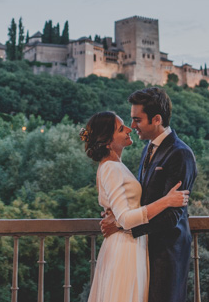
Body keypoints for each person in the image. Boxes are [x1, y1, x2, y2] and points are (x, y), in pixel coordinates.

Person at [101, 87, 198, 302]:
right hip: (143, 250)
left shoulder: (180, 154)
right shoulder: (148, 149)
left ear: (156, 119)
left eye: (137, 120)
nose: (132, 125)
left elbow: (172, 216)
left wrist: (121, 225)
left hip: (166, 254)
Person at [82, 111, 189, 302]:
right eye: (121, 129)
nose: (129, 129)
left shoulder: (116, 165)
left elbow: (122, 211)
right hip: (125, 248)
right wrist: (167, 201)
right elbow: (125, 219)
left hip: (132, 244)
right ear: (107, 142)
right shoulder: (111, 168)